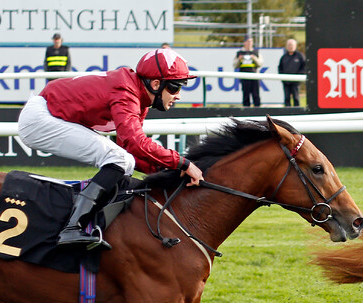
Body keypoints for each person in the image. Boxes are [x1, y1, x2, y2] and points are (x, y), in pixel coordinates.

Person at [18, 48, 204, 250]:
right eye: (175, 88)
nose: (178, 96)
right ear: (156, 83)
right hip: (40, 119)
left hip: (47, 113)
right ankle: (72, 227)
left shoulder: (138, 98)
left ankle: (81, 223)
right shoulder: (126, 91)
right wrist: (182, 163)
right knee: (119, 159)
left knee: (123, 160)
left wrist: (165, 174)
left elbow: (131, 150)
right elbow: (135, 142)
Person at [234, 35, 263, 107]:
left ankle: (258, 110)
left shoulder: (256, 52)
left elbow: (260, 64)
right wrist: (239, 59)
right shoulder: (239, 53)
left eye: (251, 41)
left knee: (256, 94)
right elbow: (235, 65)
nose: (250, 43)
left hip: (254, 76)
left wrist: (254, 58)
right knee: (246, 95)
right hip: (244, 77)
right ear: (244, 43)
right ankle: (246, 110)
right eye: (248, 41)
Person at [277, 38, 306, 107]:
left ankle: (297, 113)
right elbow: (280, 68)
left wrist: (299, 76)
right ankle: (287, 113)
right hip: (286, 82)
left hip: (295, 82)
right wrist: (282, 78)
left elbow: (304, 67)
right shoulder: (284, 57)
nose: (290, 46)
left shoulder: (300, 56)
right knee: (287, 98)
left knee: (296, 98)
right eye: (289, 45)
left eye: (291, 45)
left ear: (295, 45)